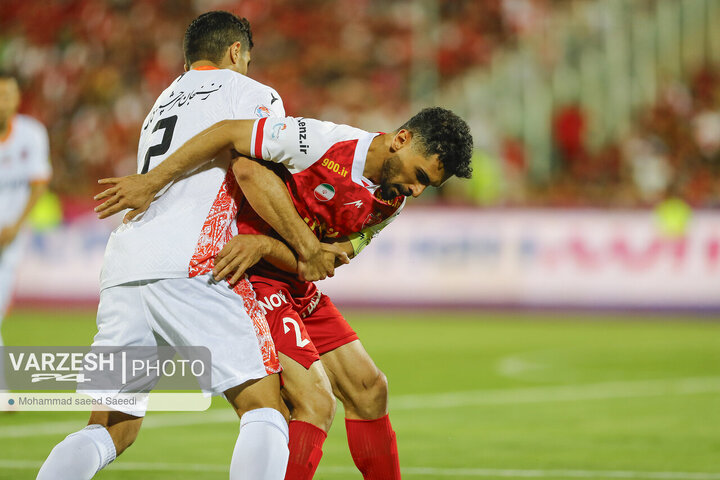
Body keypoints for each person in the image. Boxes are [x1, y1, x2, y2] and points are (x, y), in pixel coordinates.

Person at [37, 11, 344, 480]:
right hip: (193, 262)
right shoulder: (253, 93)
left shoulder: (161, 102)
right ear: (237, 52)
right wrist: (306, 246)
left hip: (125, 269)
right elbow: (250, 171)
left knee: (110, 428)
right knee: (266, 410)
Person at [95, 107, 474, 479]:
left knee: (369, 389)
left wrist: (266, 245)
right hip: (246, 274)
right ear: (401, 140)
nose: (417, 190)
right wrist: (151, 182)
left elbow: (322, 262)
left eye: (429, 186)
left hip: (288, 275)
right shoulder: (320, 142)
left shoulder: (390, 203)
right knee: (315, 402)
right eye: (419, 175)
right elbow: (235, 147)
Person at [0, 72, 51, 393]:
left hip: (9, 243)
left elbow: (38, 184)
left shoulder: (31, 135)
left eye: (8, 94)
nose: (4, 101)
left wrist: (15, 227)